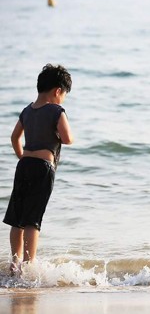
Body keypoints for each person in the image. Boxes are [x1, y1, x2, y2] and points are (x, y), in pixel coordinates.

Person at [3, 64, 73, 274]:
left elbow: (15, 137)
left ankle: (14, 264)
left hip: (23, 166)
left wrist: (22, 157)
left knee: (17, 218)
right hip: (43, 168)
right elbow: (68, 138)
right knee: (33, 219)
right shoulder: (56, 110)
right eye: (64, 95)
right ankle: (28, 265)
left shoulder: (27, 110)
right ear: (57, 91)